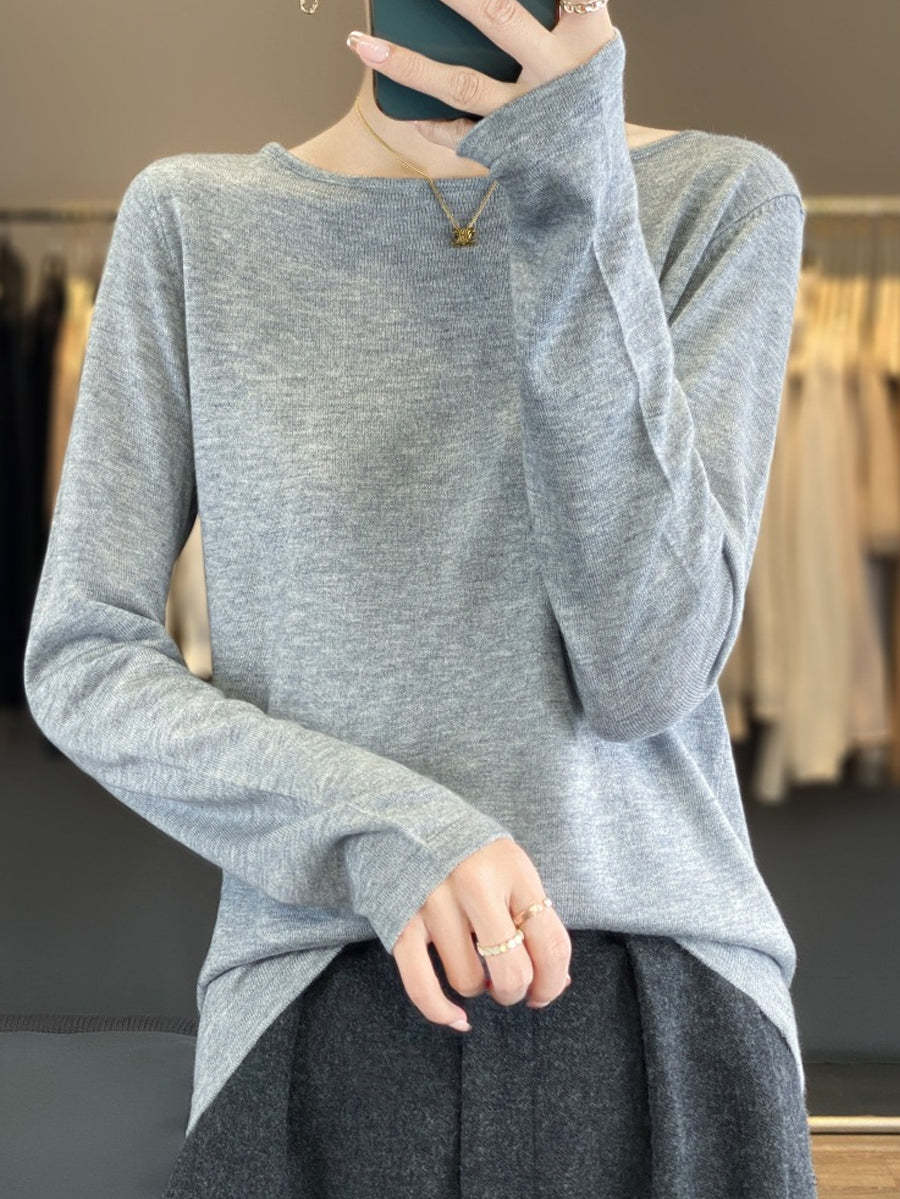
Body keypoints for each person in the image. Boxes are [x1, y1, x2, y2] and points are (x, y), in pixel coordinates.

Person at [23, 2, 819, 1195]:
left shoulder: (720, 203)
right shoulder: (195, 223)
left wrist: (571, 190)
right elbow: (83, 657)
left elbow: (646, 668)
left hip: (664, 1012)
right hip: (319, 1001)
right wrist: (387, 831)